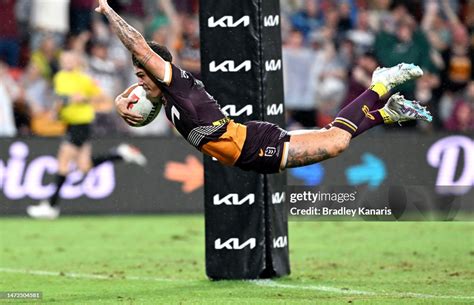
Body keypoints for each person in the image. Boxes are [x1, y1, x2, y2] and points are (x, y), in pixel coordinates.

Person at [95, 0, 432, 175]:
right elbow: (144, 113)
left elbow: (139, 47)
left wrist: (109, 12)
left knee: (336, 142)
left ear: (156, 69)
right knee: (334, 138)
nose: (137, 81)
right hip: (247, 154)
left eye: (141, 74)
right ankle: (387, 113)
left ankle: (380, 86)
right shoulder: (167, 98)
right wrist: (119, 105)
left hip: (254, 145)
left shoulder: (177, 83)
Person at [27, 51, 147, 220]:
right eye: (64, 59)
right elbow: (61, 98)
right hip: (70, 123)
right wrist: (56, 111)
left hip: (81, 124)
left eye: (70, 59)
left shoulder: (84, 79)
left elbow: (103, 98)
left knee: (63, 162)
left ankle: (51, 206)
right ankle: (121, 154)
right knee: (84, 165)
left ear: (77, 61)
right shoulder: (60, 77)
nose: (66, 62)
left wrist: (85, 99)